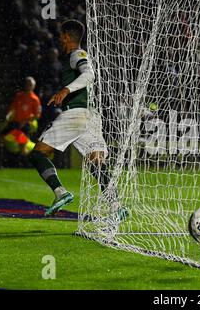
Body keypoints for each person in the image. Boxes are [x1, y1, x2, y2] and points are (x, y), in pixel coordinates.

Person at [28, 19, 127, 221]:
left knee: (39, 153)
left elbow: (89, 74)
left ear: (65, 36)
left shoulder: (77, 54)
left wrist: (66, 89)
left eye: (60, 36)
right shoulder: (75, 57)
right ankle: (116, 206)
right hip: (91, 117)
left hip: (75, 114)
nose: (59, 39)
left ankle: (60, 193)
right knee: (96, 163)